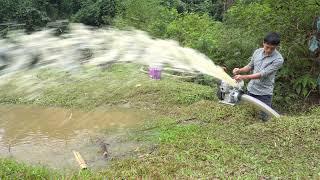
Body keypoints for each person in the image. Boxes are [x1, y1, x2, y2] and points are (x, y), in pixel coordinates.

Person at [232, 32, 284, 121]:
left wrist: (243, 77)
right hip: (250, 90)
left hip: (264, 94)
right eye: (267, 47)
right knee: (248, 115)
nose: (268, 50)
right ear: (263, 42)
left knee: (263, 119)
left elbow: (261, 74)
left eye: (272, 49)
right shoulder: (257, 52)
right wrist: (239, 70)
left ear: (276, 47)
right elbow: (249, 66)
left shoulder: (278, 59)